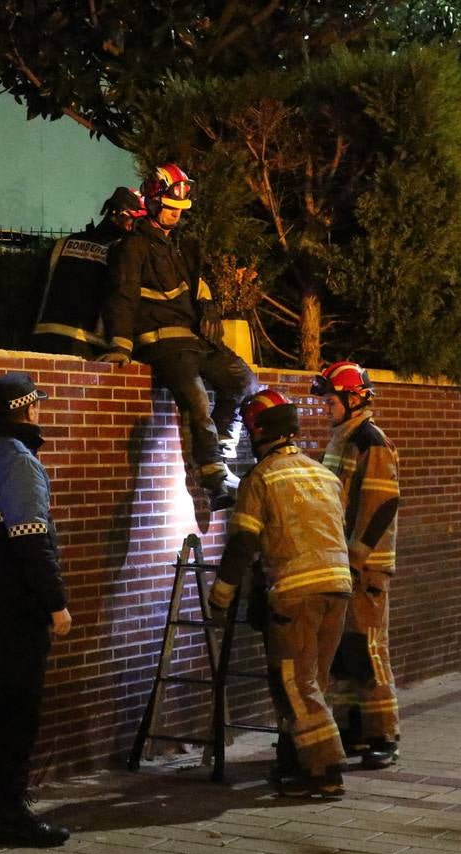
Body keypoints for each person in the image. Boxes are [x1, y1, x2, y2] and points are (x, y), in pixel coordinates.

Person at [208, 389, 352, 799]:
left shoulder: (262, 478)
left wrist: (220, 597)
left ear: (258, 432)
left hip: (295, 593)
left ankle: (325, 770)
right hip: (338, 590)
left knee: (293, 683)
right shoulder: (324, 474)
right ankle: (296, 760)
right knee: (313, 683)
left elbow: (241, 545)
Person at [0, 371, 72, 846]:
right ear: (27, 409)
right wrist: (55, 603)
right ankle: (9, 812)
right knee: (17, 708)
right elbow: (31, 542)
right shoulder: (20, 463)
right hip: (17, 603)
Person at [100, 163, 257, 511]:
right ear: (154, 204)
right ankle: (214, 481)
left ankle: (220, 454)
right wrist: (120, 345)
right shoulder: (132, 246)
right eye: (170, 209)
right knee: (197, 401)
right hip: (160, 343)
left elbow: (197, 284)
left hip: (193, 340)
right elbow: (121, 296)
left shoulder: (181, 246)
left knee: (246, 383)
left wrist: (209, 307)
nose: (176, 215)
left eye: (180, 210)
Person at [310, 361, 401, 769]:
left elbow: (382, 504)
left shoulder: (370, 441)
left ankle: (383, 734)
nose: (325, 408)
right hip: (344, 565)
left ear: (352, 398)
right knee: (346, 653)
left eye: (330, 401)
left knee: (368, 651)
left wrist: (358, 556)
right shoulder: (342, 439)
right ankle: (353, 730)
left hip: (364, 568)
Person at [30, 187, 147, 359]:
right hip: (87, 344)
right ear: (119, 214)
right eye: (135, 221)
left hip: (43, 336)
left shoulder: (61, 244)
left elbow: (36, 291)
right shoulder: (121, 252)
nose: (135, 228)